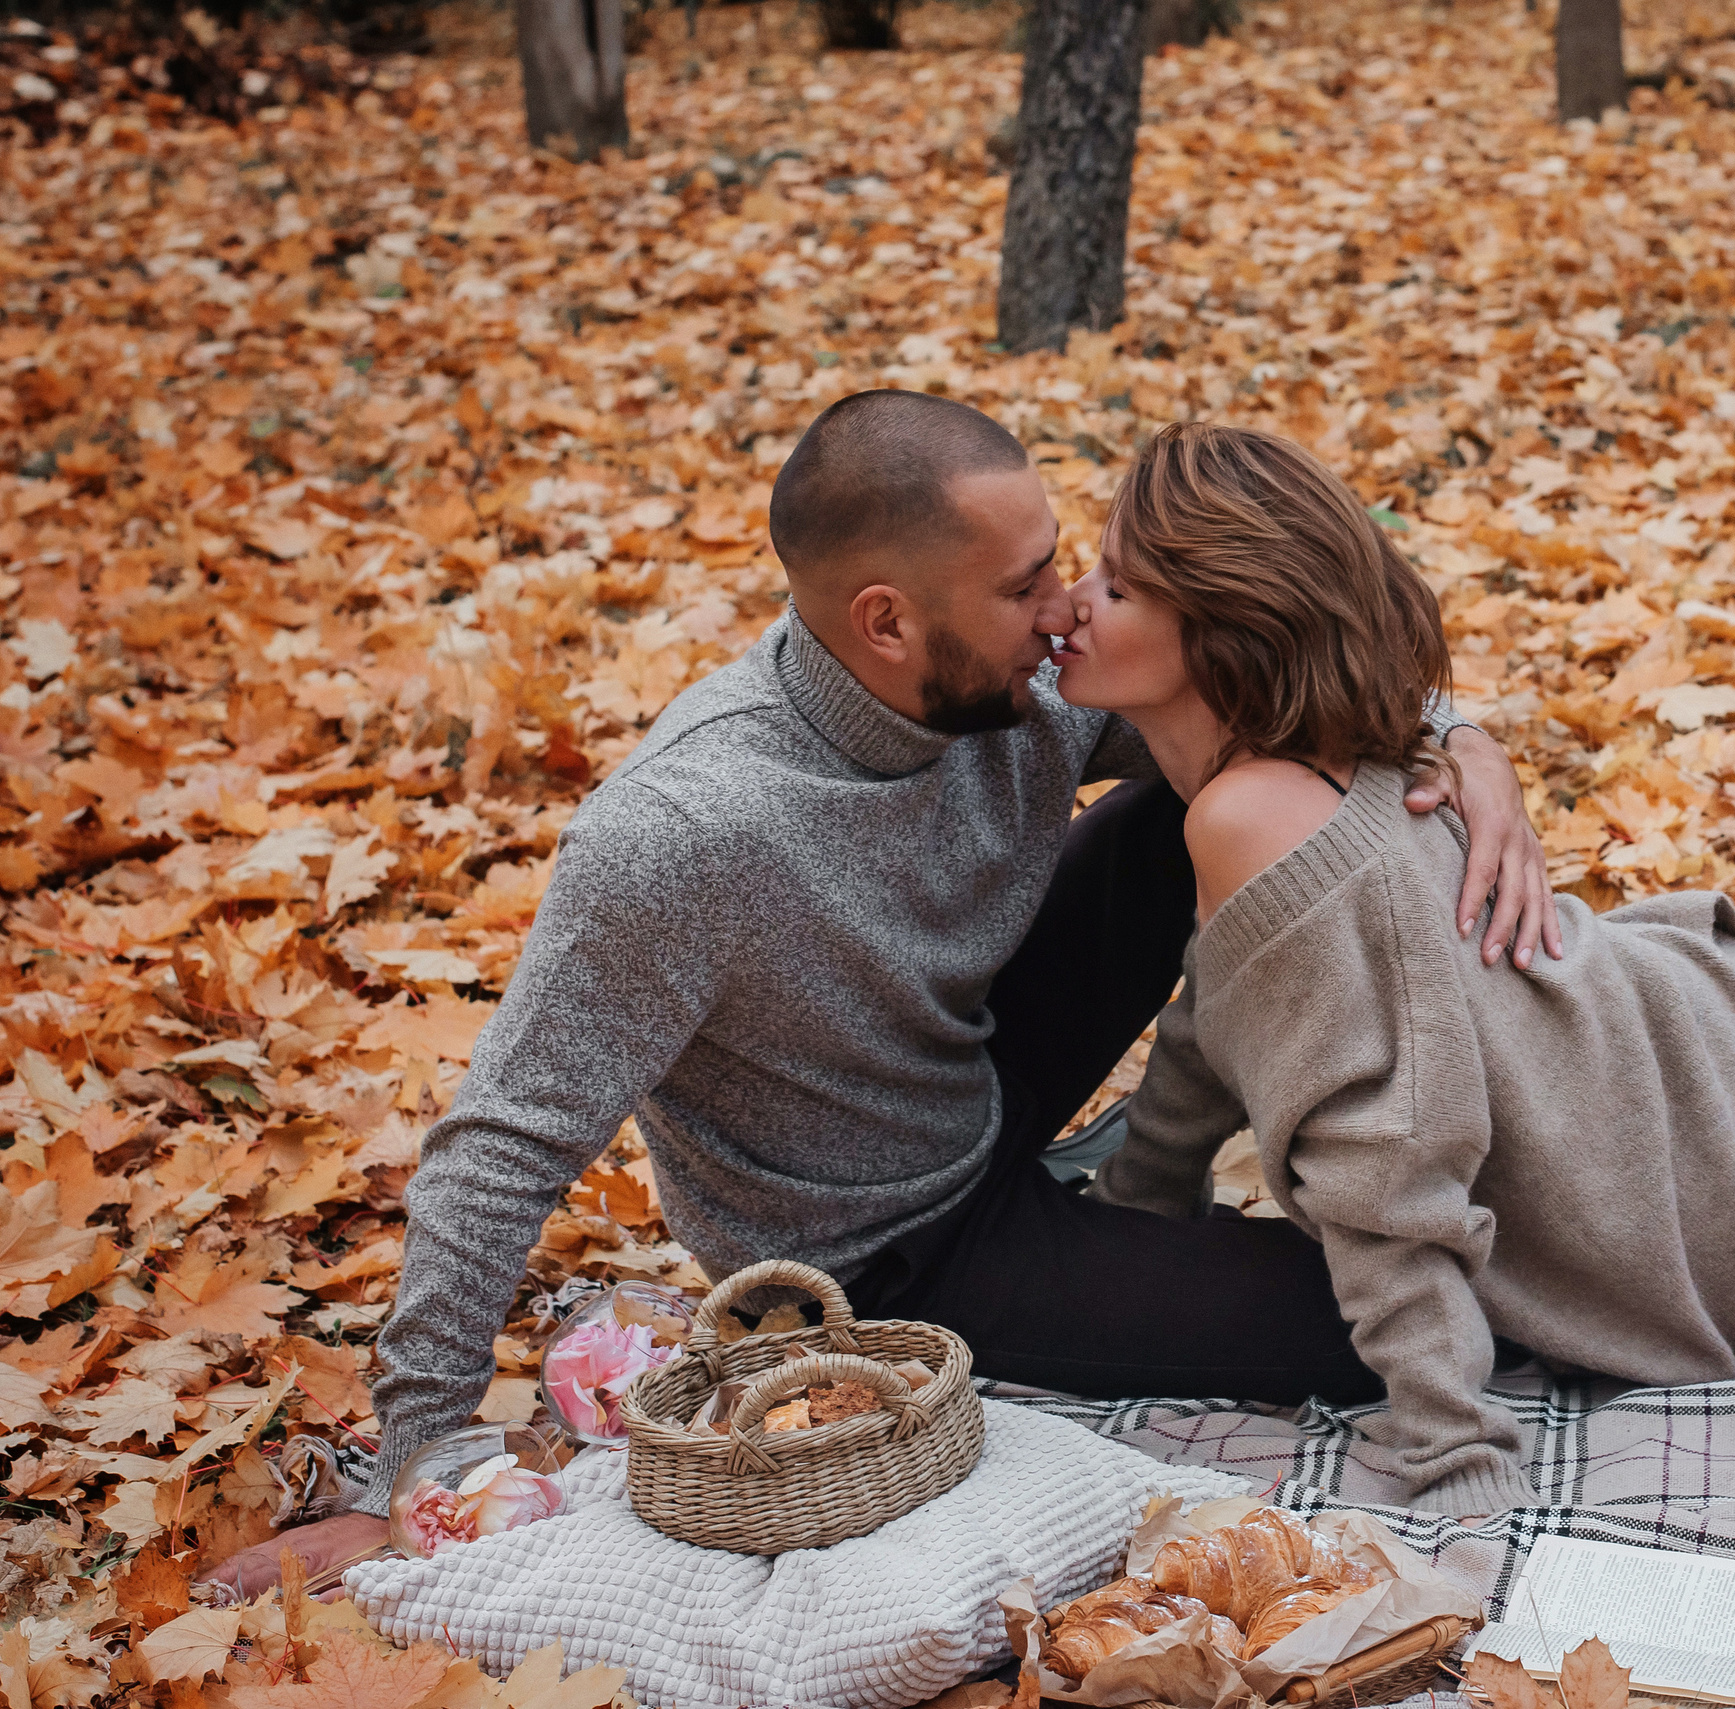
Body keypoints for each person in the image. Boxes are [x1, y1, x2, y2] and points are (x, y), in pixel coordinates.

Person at [204, 392, 1558, 1596]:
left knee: (1199, 800)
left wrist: (1455, 739)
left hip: (977, 1068)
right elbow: (498, 1148)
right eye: (1027, 585)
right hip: (896, 1240)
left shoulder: (1013, 677)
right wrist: (420, 1468)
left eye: (1062, 563)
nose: (1065, 611)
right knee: (1384, 1319)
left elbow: (1258, 687)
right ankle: (1302, 1237)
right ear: (887, 621)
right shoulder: (684, 836)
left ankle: (1331, 1136)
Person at [1056, 424, 1735, 1518]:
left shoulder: (1245, 814)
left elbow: (1381, 1168)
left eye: (1115, 587)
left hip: (1718, 1215)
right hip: (1645, 1041)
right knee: (1703, 1009)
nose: (1072, 603)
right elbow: (1218, 1005)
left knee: (1697, 1024)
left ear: (1228, 631)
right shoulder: (1317, 748)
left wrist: (1457, 1453)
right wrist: (1142, 1194)